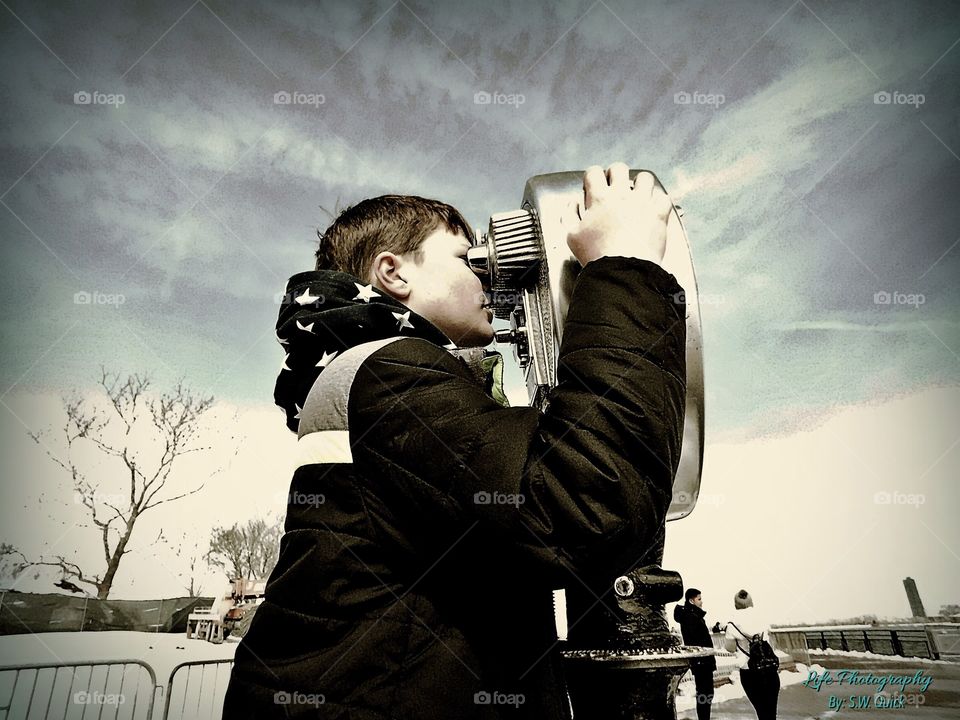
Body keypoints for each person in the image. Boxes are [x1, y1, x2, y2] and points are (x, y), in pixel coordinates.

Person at [222, 163, 688, 719]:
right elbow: (584, 502)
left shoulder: (373, 376)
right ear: (393, 274)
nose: (489, 276)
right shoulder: (389, 371)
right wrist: (623, 266)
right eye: (466, 258)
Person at [724, 589, 781, 720]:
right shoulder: (763, 619)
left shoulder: (732, 625)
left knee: (761, 711)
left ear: (735, 605)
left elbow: (730, 649)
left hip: (749, 673)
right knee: (771, 711)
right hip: (769, 669)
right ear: (751, 603)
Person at [674, 588, 717, 720]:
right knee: (705, 693)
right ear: (691, 601)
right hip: (702, 661)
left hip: (701, 661)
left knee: (705, 693)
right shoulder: (691, 617)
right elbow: (697, 640)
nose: (701, 602)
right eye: (699, 599)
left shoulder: (691, 615)